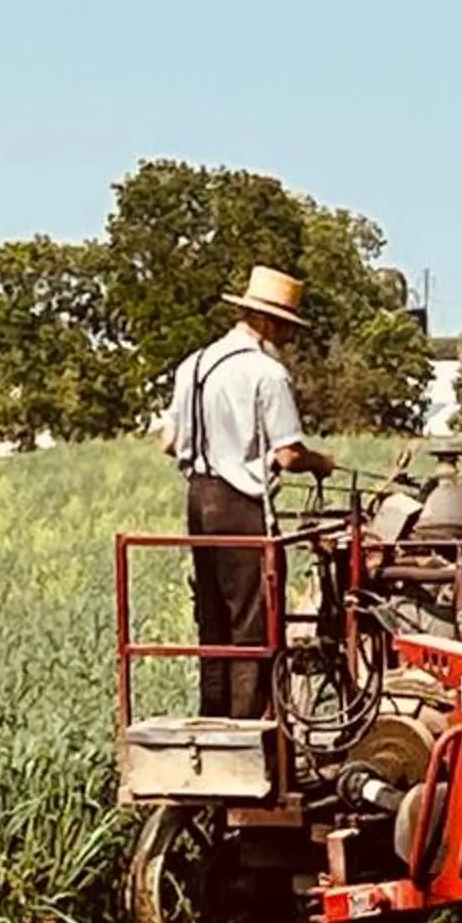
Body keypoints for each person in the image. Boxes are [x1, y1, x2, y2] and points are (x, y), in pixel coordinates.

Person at [161, 265, 335, 718]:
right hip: (241, 505)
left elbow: (168, 441)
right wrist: (323, 462)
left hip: (198, 499)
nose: (289, 338)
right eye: (288, 328)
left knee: (213, 618)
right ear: (270, 323)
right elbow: (289, 455)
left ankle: (211, 720)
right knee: (253, 622)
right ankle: (247, 733)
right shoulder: (266, 373)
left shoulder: (192, 365)